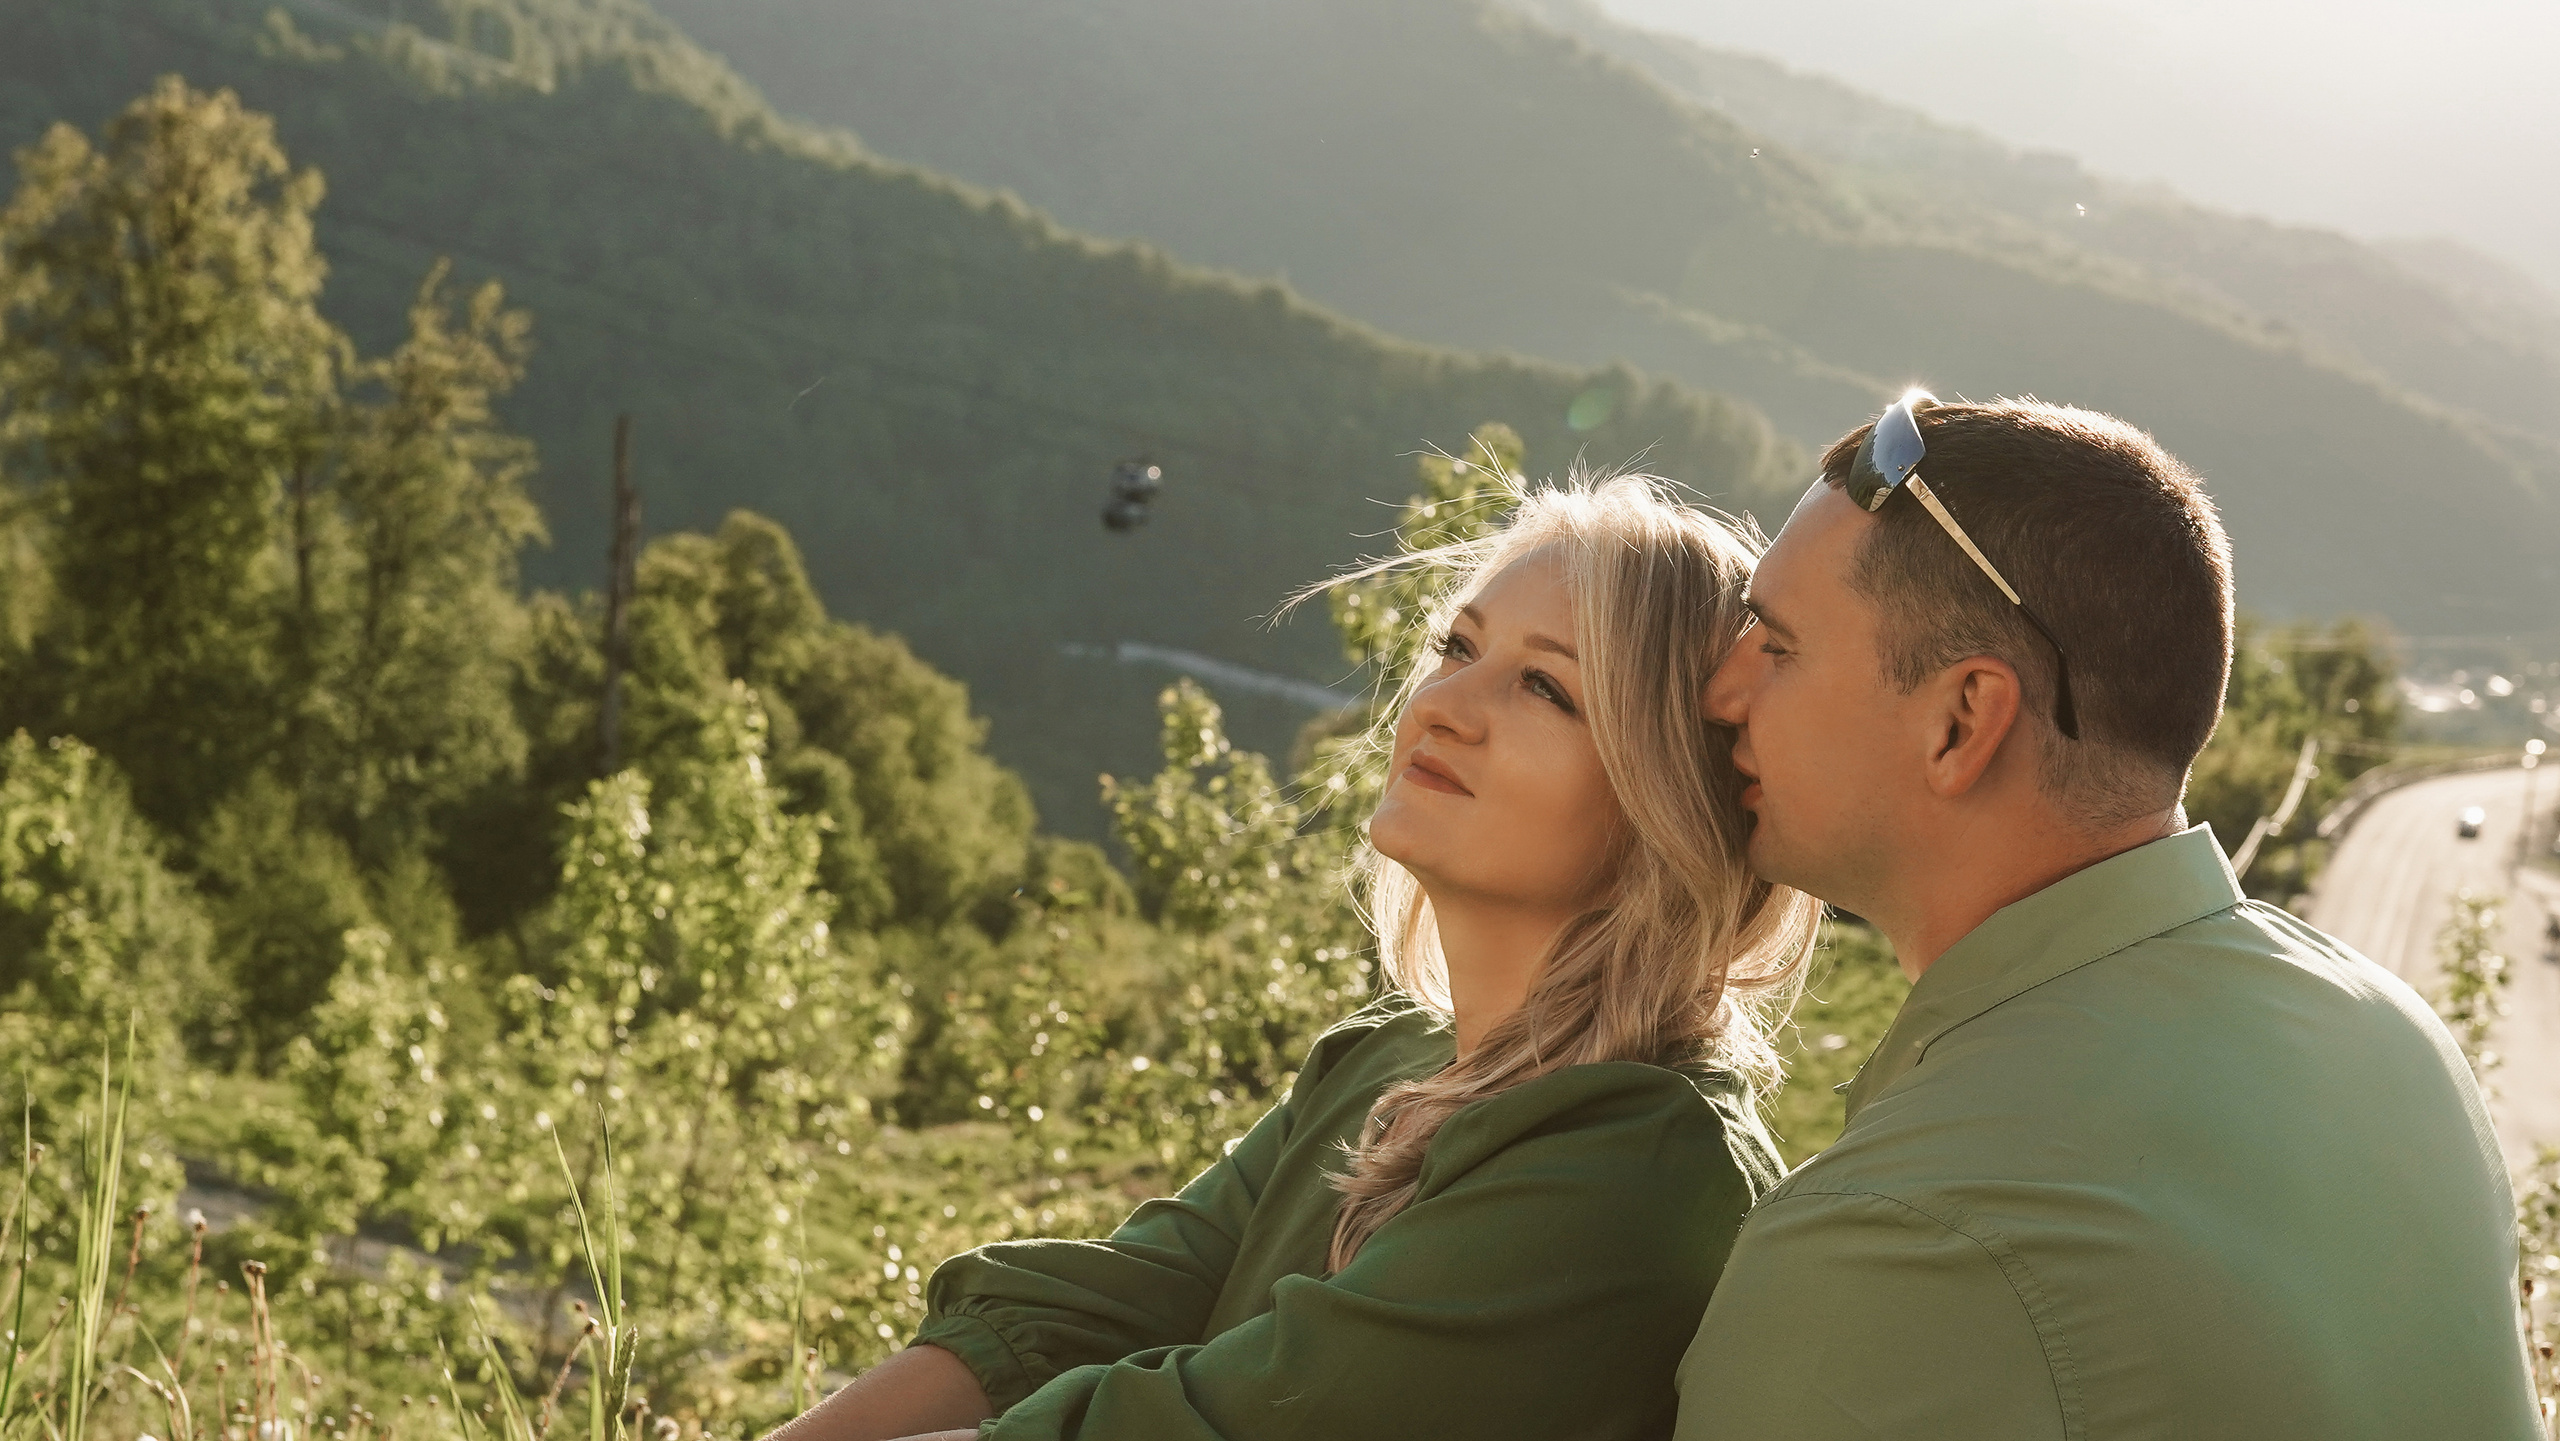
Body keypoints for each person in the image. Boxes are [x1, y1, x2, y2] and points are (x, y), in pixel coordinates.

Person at [764, 474, 1821, 1441]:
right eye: (1458, 648)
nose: (1443, 707)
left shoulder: (1637, 1162)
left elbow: (1210, 1427)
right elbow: (1075, 1311)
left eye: (1546, 689)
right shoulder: (1391, 1058)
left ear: (1667, 798)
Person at [1674, 391, 2540, 1438]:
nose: (1720, 693)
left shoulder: (1892, 1239)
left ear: (1961, 720)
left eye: (1776, 646)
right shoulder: (2391, 1033)